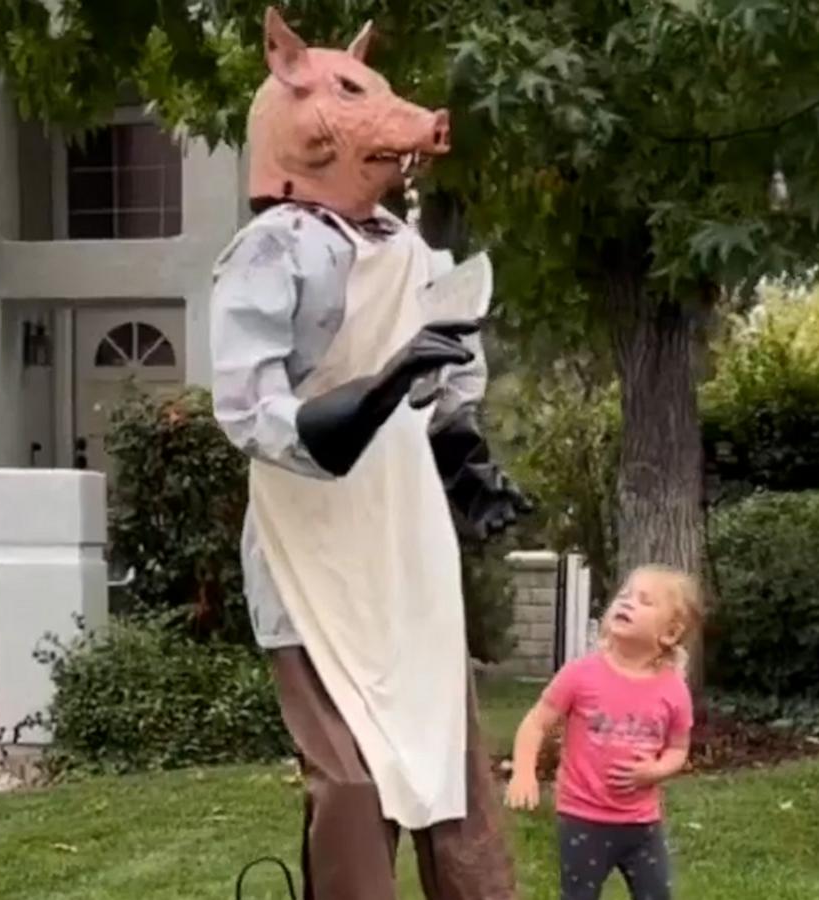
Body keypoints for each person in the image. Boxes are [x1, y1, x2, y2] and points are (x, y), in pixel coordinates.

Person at [209, 8, 529, 899]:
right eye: (354, 96)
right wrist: (373, 396)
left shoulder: (411, 248)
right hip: (308, 543)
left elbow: (450, 365)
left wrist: (464, 456)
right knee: (352, 778)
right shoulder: (272, 250)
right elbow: (246, 404)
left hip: (403, 533)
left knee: (450, 765)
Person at [505, 566, 700, 900]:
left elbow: (678, 748)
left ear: (669, 633)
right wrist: (524, 773)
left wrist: (655, 771)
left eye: (644, 601)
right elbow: (535, 723)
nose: (626, 602)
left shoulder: (673, 690)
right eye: (624, 595)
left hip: (642, 824)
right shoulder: (581, 674)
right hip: (582, 818)